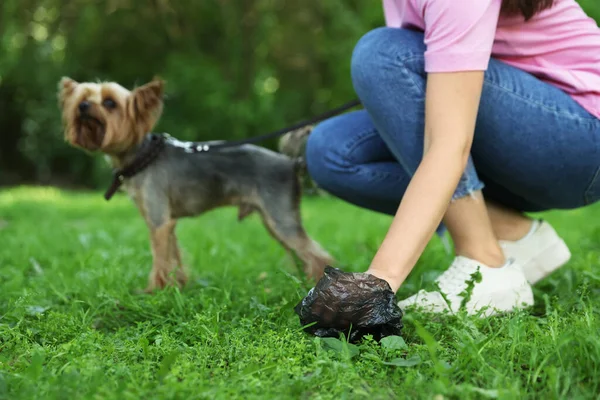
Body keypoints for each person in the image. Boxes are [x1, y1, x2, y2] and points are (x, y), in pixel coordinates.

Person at [304, 0, 600, 316]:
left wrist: (379, 282)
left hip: (581, 139)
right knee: (332, 150)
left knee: (384, 56)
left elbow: (448, 143)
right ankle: (515, 237)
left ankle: (483, 262)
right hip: (527, 131)